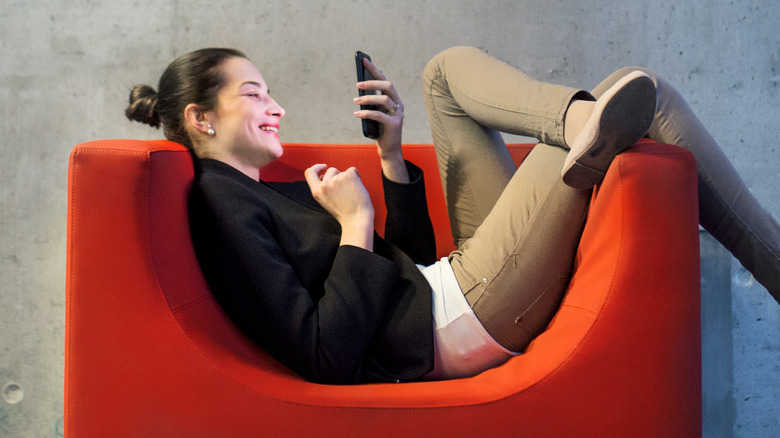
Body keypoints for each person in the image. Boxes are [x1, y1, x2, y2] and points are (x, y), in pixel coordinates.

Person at [125, 46, 779, 384]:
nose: (276, 107)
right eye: (254, 94)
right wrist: (353, 227)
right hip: (450, 326)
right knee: (651, 94)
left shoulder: (268, 188)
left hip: (445, 287)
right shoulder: (218, 206)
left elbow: (399, 268)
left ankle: (581, 126)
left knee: (442, 74)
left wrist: (388, 155)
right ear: (201, 118)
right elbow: (324, 354)